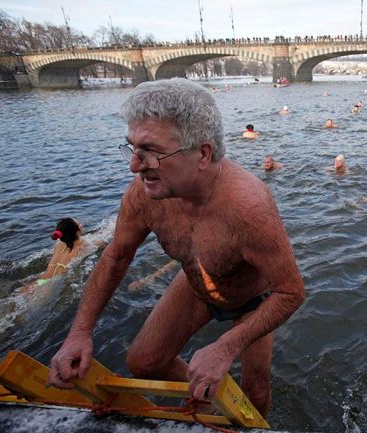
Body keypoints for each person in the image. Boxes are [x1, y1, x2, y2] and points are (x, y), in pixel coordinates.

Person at [47, 78, 306, 417]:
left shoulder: (248, 207)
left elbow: (291, 292)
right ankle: (210, 399)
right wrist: (79, 333)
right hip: (196, 284)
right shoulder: (144, 194)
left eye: (151, 152)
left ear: (202, 153)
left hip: (251, 301)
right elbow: (116, 256)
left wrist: (225, 347)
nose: (135, 166)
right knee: (143, 362)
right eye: (133, 149)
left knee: (256, 391)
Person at [35, 218, 87, 286]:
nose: (81, 224)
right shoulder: (84, 245)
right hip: (50, 286)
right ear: (77, 231)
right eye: (79, 224)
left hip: (40, 281)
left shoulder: (59, 244)